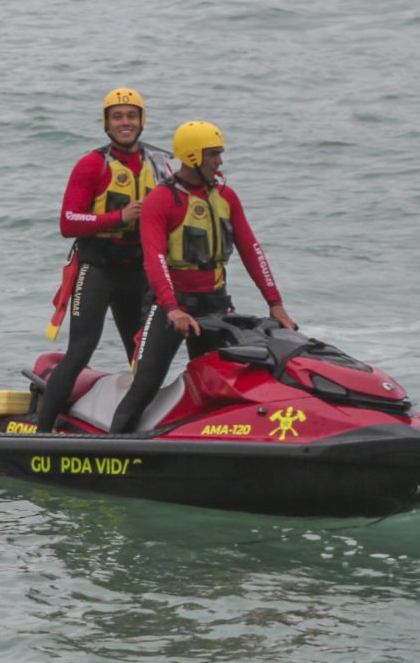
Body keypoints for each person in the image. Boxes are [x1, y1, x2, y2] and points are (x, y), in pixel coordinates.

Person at [112, 121, 296, 435]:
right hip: (171, 307)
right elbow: (154, 261)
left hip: (216, 306)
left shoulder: (226, 198)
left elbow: (252, 251)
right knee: (145, 383)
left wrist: (275, 304)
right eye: (213, 154)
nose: (219, 161)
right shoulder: (162, 200)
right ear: (193, 156)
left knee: (224, 386)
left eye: (220, 154)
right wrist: (172, 309)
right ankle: (113, 450)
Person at [37, 88, 169, 430]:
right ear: (107, 123)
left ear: (142, 120)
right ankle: (40, 432)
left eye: (131, 115)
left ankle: (134, 429)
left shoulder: (160, 164)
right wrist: (118, 218)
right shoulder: (91, 164)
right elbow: (68, 222)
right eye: (117, 116)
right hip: (97, 270)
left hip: (139, 273)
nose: (125, 123)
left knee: (142, 359)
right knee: (80, 351)